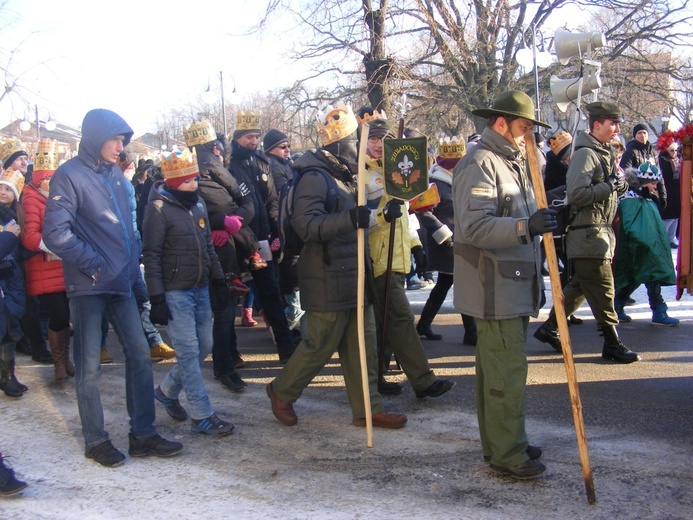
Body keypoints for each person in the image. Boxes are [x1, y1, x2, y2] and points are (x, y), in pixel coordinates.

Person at [43, 108, 183, 467]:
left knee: (139, 355)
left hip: (121, 281)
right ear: (95, 137)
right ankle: (95, 439)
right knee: (89, 367)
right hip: (89, 286)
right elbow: (55, 234)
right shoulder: (68, 176)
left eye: (123, 140)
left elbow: (131, 228)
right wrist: (95, 263)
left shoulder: (119, 178)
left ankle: (143, 434)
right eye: (116, 139)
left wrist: (132, 261)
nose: (121, 147)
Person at [266, 102, 407, 430]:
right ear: (343, 144)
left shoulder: (346, 175)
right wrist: (350, 219)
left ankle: (368, 409)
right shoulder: (315, 177)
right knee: (319, 345)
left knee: (363, 345)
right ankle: (282, 391)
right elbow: (306, 225)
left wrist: (380, 216)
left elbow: (356, 224)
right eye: (357, 142)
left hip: (356, 273)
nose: (362, 147)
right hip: (327, 275)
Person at [453, 90, 555, 480]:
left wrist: (540, 219)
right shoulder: (481, 162)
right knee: (506, 372)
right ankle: (507, 452)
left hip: (510, 284)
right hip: (492, 286)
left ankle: (502, 439)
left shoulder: (512, 161)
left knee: (496, 371)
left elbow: (516, 213)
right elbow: (476, 226)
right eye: (524, 128)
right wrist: (525, 227)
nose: (528, 135)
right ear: (501, 124)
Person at [533, 102, 640, 364]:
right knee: (604, 288)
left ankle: (551, 328)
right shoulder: (586, 154)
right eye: (612, 123)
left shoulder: (601, 151)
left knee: (579, 286)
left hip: (596, 232)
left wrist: (619, 185)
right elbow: (578, 194)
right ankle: (612, 343)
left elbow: (606, 188)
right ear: (596, 125)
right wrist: (608, 186)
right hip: (588, 232)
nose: (616, 128)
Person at [142, 148, 235, 435]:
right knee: (188, 352)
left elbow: (207, 246)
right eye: (186, 182)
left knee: (204, 346)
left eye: (194, 180)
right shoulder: (157, 209)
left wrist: (219, 279)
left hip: (201, 287)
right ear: (172, 182)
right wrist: (156, 297)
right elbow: (152, 254)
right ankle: (202, 414)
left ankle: (167, 390)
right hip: (175, 292)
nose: (193, 186)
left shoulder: (198, 206)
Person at [363, 117, 455, 398]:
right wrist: (381, 214)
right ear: (364, 142)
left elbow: (404, 214)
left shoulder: (396, 171)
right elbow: (358, 220)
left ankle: (374, 379)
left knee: (385, 323)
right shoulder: (362, 175)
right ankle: (423, 381)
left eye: (383, 139)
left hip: (399, 257)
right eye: (373, 139)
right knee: (401, 320)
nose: (379, 145)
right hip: (379, 260)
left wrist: (416, 246)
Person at [184, 121, 252, 386]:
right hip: (203, 253)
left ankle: (226, 360)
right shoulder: (207, 166)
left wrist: (231, 222)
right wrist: (219, 221)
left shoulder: (219, 172)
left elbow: (247, 203)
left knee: (222, 309)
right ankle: (221, 365)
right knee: (218, 312)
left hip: (220, 250)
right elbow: (184, 211)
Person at [227, 112, 296, 363]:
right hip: (238, 240)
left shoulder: (262, 161)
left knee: (271, 293)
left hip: (263, 239)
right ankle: (230, 353)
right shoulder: (228, 165)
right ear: (237, 139)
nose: (254, 141)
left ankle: (286, 348)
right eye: (249, 137)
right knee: (230, 299)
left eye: (256, 136)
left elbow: (271, 200)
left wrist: (276, 230)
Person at [19, 139, 74, 383]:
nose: (53, 183)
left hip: (62, 267)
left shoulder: (56, 198)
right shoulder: (32, 199)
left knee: (66, 315)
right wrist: (58, 243)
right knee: (59, 316)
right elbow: (30, 238)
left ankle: (65, 359)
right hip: (44, 269)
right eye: (49, 179)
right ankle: (58, 362)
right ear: (40, 179)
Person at [416, 136, 477, 345]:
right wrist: (442, 232)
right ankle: (471, 332)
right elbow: (422, 211)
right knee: (463, 284)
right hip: (446, 243)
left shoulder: (457, 181)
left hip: (459, 240)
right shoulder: (436, 185)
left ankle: (423, 325)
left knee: (445, 284)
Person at [613, 165, 679, 327]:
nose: (655, 187)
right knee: (648, 277)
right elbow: (630, 225)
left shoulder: (647, 198)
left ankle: (618, 305)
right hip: (639, 246)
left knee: (636, 278)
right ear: (643, 182)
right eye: (652, 183)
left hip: (648, 246)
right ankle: (659, 310)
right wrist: (643, 243)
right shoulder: (630, 200)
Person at [264, 129, 306, 338]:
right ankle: (280, 331)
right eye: (283, 146)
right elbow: (280, 202)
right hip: (283, 231)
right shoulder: (273, 167)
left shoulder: (285, 165)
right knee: (291, 291)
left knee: (293, 291)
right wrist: (278, 232)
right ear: (271, 149)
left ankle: (287, 330)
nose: (288, 149)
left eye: (288, 145)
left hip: (289, 229)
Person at [0, 178, 27, 398]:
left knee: (10, 329)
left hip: (11, 276)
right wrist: (8, 237)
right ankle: (5, 377)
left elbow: (20, 249)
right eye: (0, 187)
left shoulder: (15, 215)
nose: (2, 192)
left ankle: (8, 374)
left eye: (8, 188)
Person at [657, 139, 681, 248]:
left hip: (676, 191)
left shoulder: (677, 161)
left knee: (675, 217)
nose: (674, 153)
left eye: (676, 150)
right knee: (667, 217)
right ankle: (663, 238)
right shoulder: (662, 160)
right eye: (672, 150)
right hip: (666, 191)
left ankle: (671, 238)